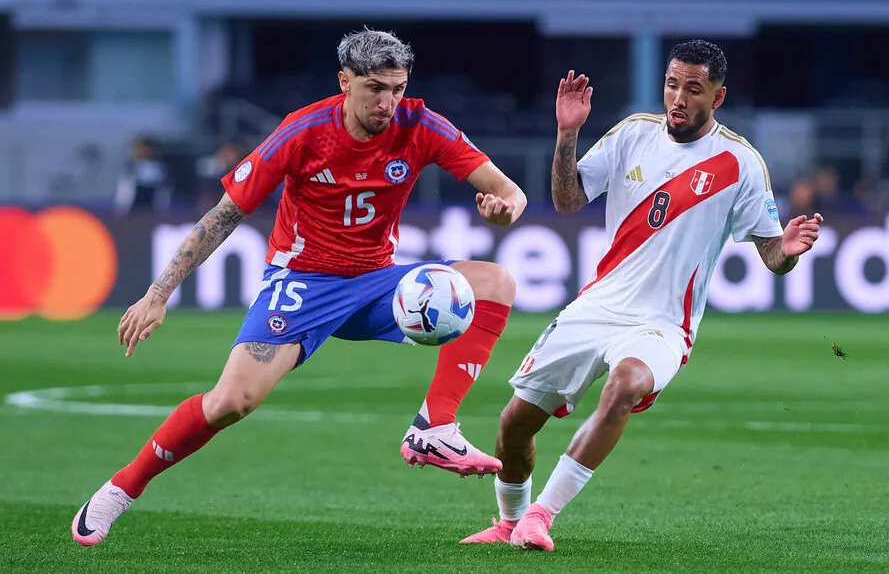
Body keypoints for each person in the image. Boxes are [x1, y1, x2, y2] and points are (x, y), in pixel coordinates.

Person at [72, 28, 527, 547]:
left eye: (398, 89)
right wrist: (158, 293)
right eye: (375, 88)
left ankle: (434, 427)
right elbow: (223, 217)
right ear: (345, 80)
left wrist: (503, 211)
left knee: (496, 281)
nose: (388, 102)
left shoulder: (420, 124)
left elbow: (508, 192)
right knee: (231, 402)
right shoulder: (302, 132)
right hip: (303, 283)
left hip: (379, 283)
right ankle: (120, 489)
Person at [460, 40, 824, 551]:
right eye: (672, 84)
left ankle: (541, 515)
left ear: (717, 97)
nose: (678, 97)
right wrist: (567, 134)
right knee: (514, 426)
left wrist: (786, 250)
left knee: (625, 385)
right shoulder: (632, 135)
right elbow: (567, 200)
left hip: (662, 322)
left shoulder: (739, 162)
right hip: (597, 306)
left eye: (693, 89)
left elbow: (772, 255)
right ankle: (508, 523)